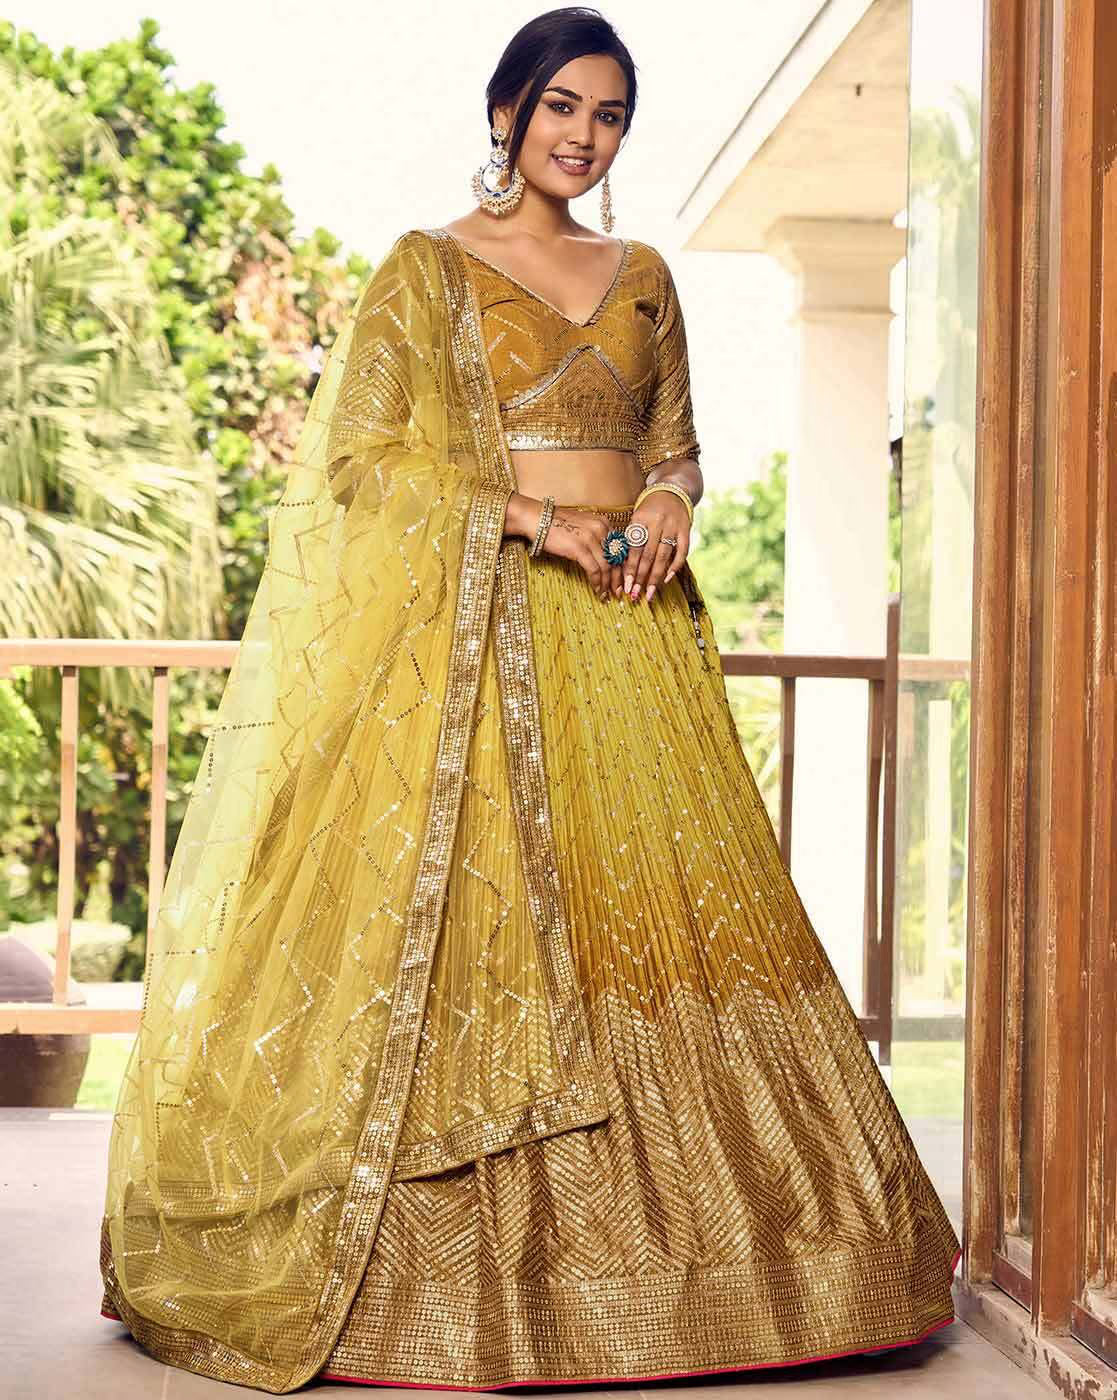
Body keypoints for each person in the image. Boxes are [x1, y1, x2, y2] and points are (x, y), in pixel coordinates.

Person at [98, 7, 961, 1393]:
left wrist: (671, 501)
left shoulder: (644, 274)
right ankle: (472, 1276)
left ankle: (730, 1263)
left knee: (655, 919)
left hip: (633, 635)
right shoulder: (427, 269)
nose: (583, 135)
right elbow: (361, 463)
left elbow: (675, 444)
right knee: (488, 918)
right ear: (507, 111)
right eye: (561, 106)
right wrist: (528, 520)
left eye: (608, 115)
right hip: (484, 640)